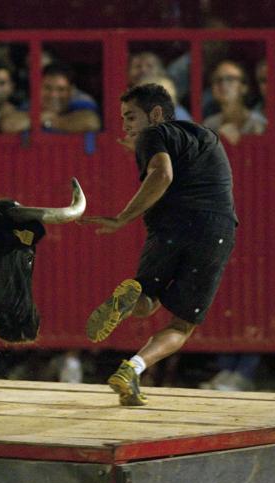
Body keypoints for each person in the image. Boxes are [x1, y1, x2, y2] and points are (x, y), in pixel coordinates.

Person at [81, 83, 237, 406]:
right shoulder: (206, 136)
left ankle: (130, 301)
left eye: (130, 117)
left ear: (155, 114)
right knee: (182, 324)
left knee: (147, 298)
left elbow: (162, 175)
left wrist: (122, 218)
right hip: (214, 229)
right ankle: (132, 369)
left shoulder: (153, 135)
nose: (125, 126)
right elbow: (175, 166)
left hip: (170, 226)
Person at [0, 63, 101, 134]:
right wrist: (45, 117)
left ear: (70, 92)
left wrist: (47, 122)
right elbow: (9, 125)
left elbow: (91, 122)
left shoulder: (79, 104)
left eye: (61, 89)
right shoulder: (28, 106)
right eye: (47, 88)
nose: (53, 95)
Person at [202, 60, 266, 144]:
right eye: (217, 79)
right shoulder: (209, 124)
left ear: (244, 87)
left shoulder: (259, 123)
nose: (223, 84)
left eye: (230, 79)